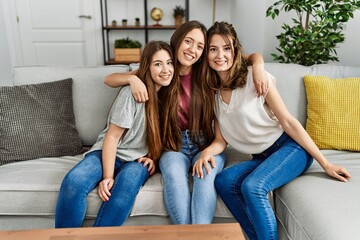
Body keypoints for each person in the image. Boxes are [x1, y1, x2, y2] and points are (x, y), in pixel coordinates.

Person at [193, 21, 352, 239]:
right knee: (224, 181)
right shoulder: (213, 94)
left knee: (253, 187)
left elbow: (288, 121)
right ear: (206, 55)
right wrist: (206, 152)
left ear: (235, 51)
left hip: (290, 149)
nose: (220, 55)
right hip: (263, 156)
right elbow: (221, 140)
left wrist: (325, 163)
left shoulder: (255, 78)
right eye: (213, 49)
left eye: (226, 48)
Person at [104, 20, 268, 224]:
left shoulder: (207, 71)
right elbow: (110, 79)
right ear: (178, 40)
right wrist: (132, 79)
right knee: (173, 176)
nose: (193, 50)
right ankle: (186, 234)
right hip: (173, 145)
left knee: (205, 176)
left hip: (206, 143)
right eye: (188, 42)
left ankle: (199, 234)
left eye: (200, 46)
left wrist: (259, 65)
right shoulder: (164, 70)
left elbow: (246, 57)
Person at [55, 41, 174, 228]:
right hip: (109, 152)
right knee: (73, 182)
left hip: (137, 161)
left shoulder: (171, 99)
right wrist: (108, 176)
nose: (166, 69)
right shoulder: (132, 93)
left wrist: (154, 158)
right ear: (147, 67)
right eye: (158, 64)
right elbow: (112, 138)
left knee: (124, 191)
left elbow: (167, 139)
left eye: (169, 62)